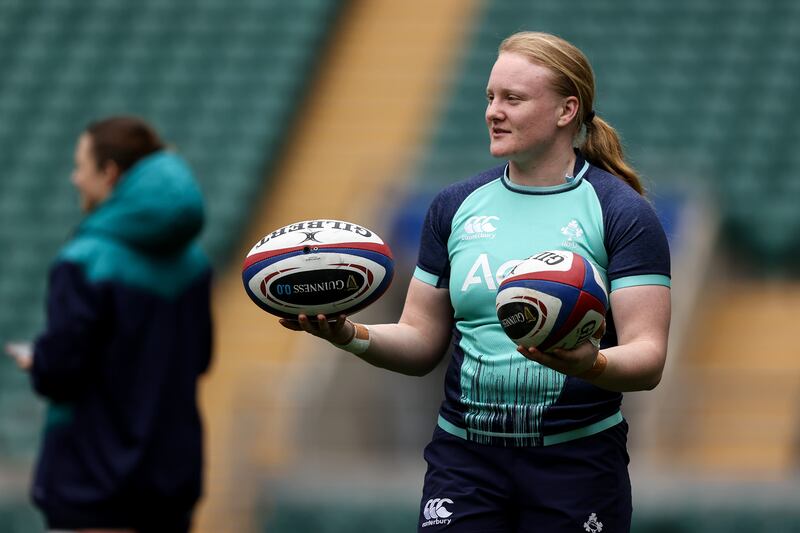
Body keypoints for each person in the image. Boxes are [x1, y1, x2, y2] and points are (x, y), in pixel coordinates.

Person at [281, 31, 671, 533]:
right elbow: (421, 339)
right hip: (465, 462)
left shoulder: (622, 212)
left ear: (566, 110)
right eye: (490, 97)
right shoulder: (454, 206)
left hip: (576, 461)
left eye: (513, 98)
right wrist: (347, 333)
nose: (493, 112)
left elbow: (648, 357)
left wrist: (590, 363)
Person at [5, 116, 213, 532]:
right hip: (172, 480)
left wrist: (39, 361)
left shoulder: (86, 259)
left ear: (110, 173)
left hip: (96, 481)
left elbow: (60, 372)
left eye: (81, 166)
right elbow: (202, 358)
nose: (75, 178)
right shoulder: (194, 262)